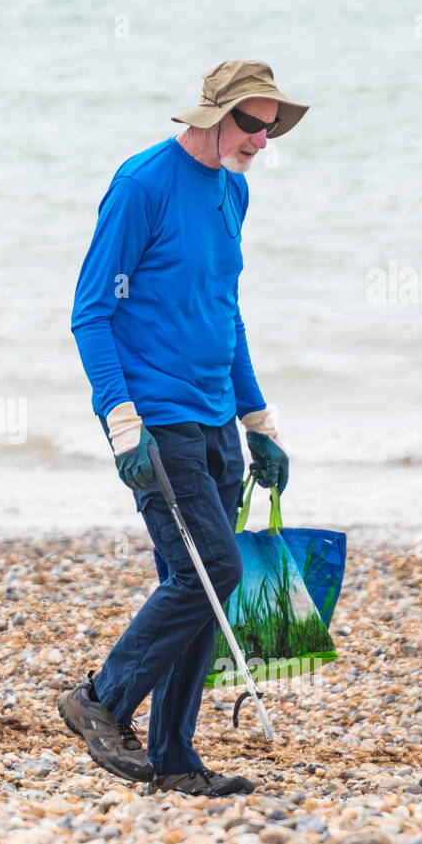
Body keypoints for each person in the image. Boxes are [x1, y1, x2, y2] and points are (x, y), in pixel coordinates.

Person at [61, 60, 307, 797]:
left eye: (271, 126)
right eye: (251, 123)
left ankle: (173, 759)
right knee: (216, 567)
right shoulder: (142, 185)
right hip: (156, 419)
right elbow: (90, 312)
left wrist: (257, 419)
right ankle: (100, 699)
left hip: (214, 420)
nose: (262, 139)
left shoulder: (234, 190)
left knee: (198, 580)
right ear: (212, 115)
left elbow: (222, 311)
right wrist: (122, 423)